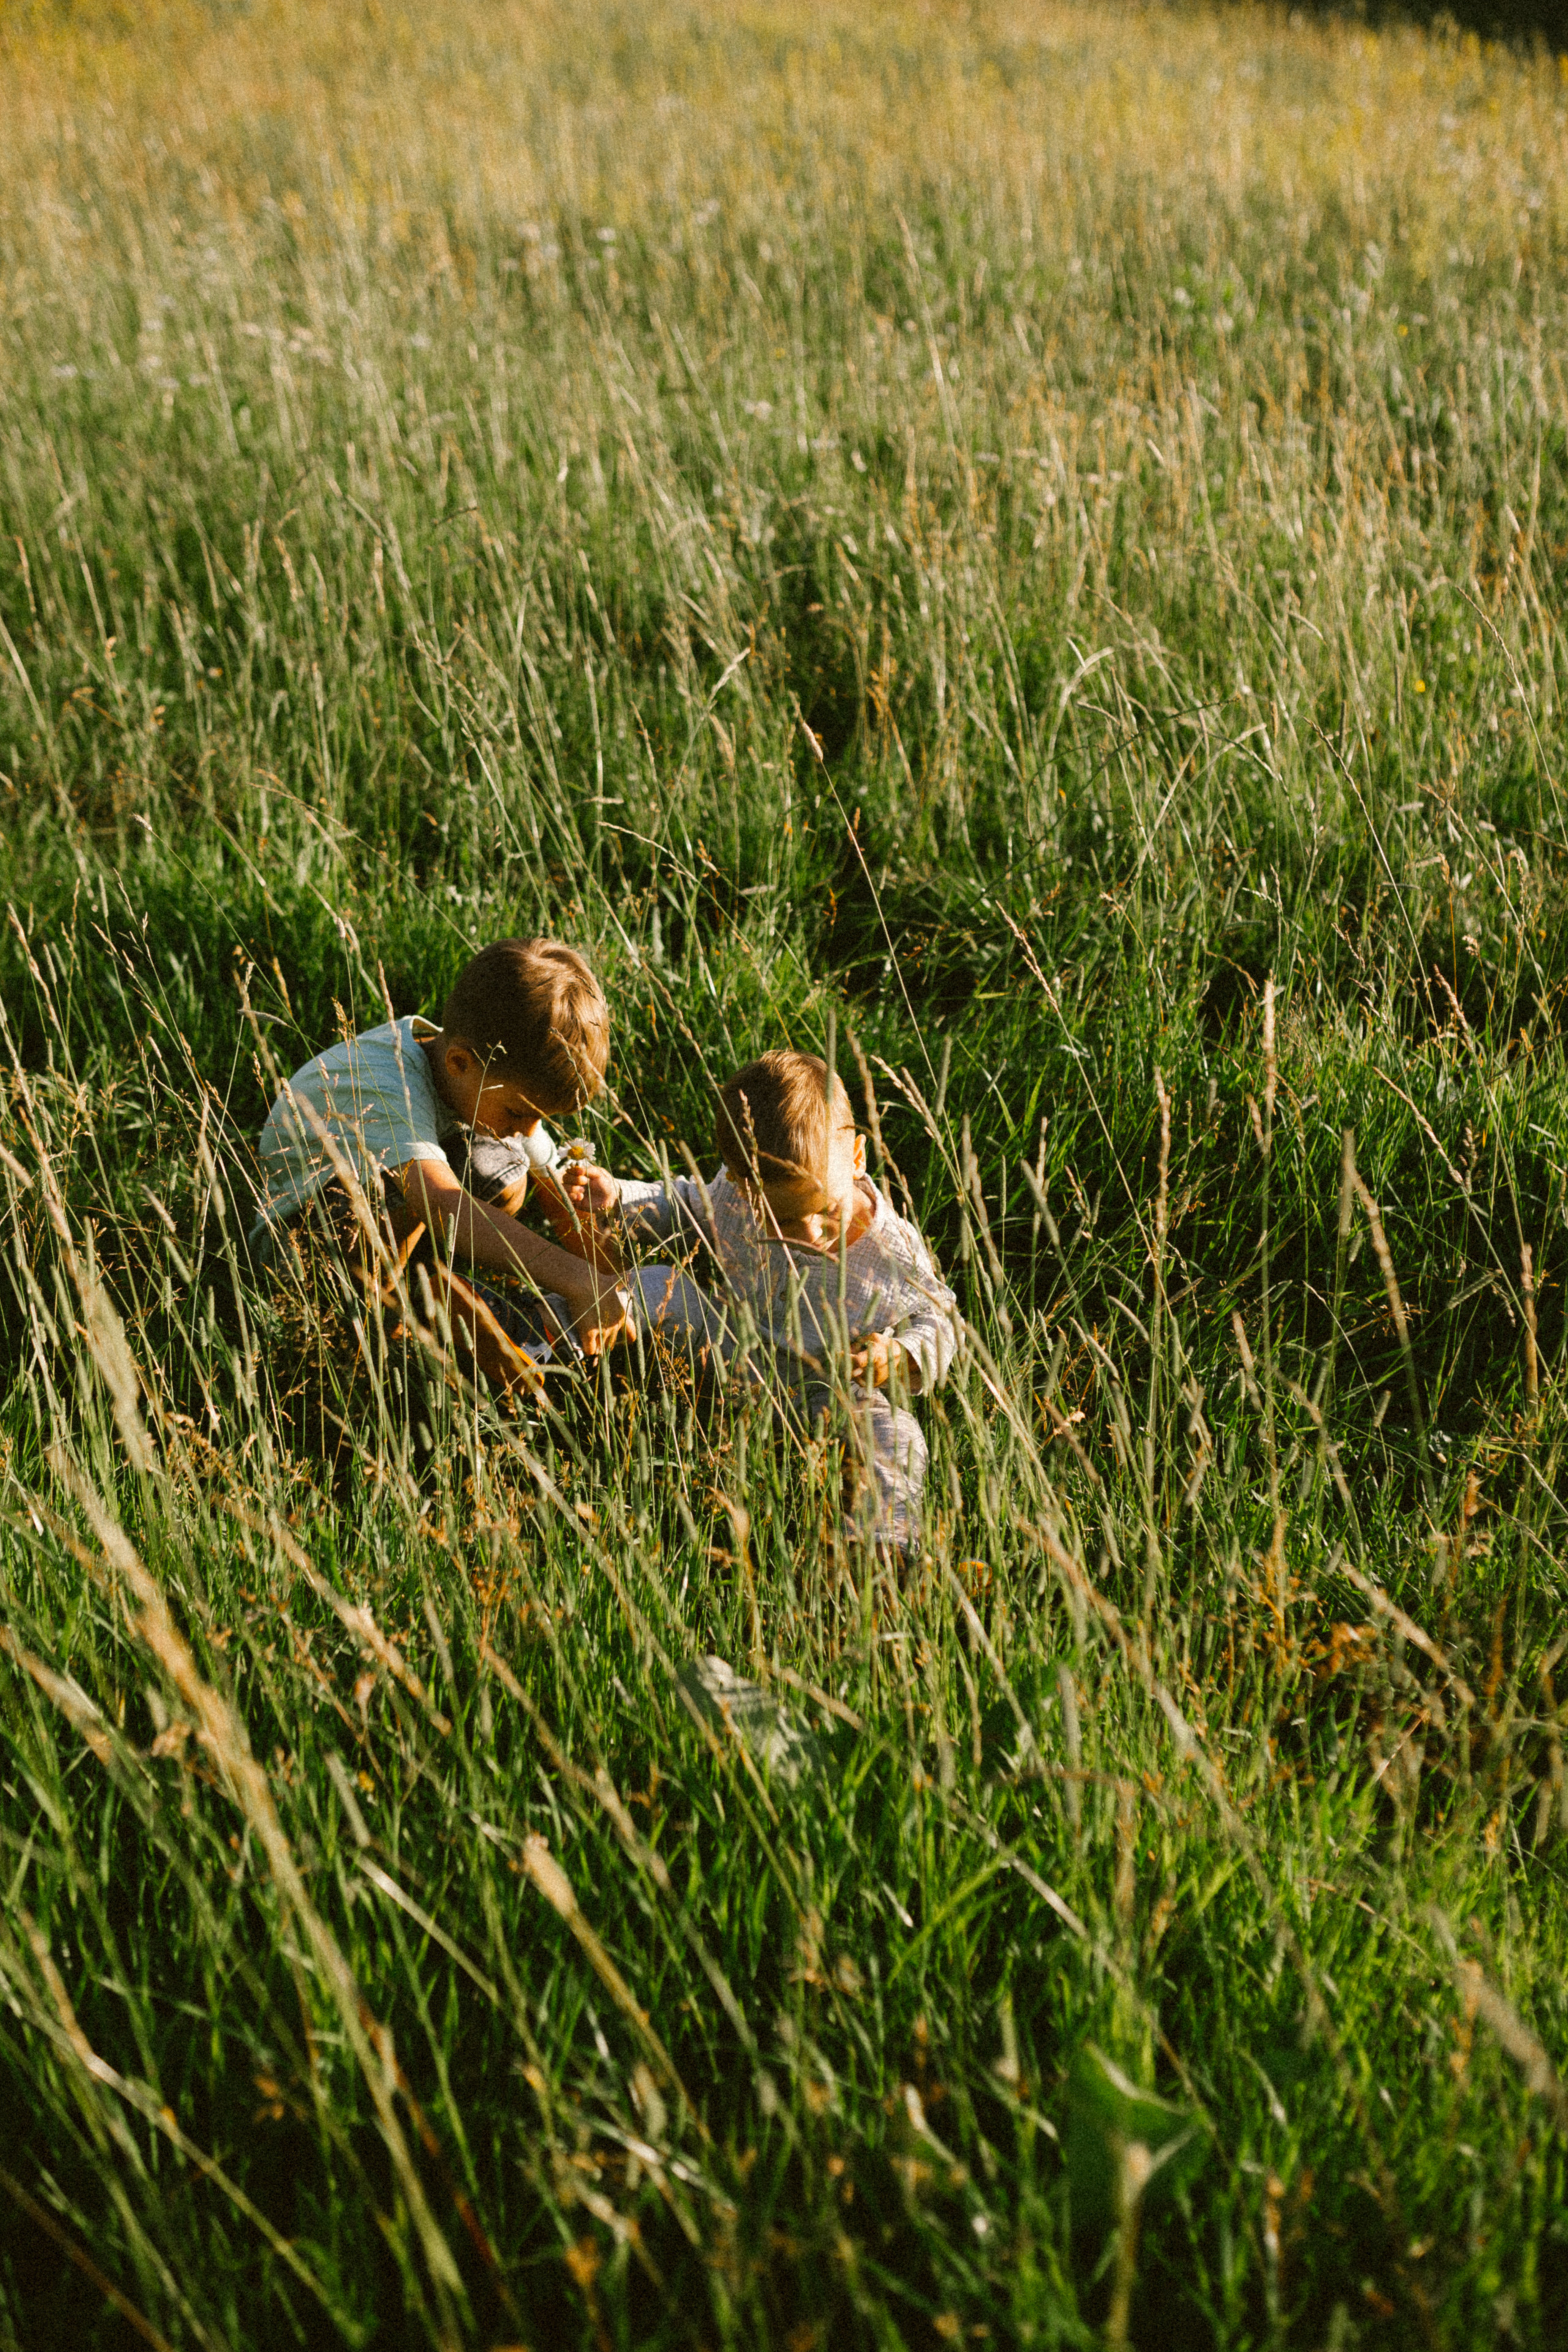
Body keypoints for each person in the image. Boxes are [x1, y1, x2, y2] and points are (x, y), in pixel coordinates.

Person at [564, 1050, 959, 1555]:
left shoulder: (888, 1248)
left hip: (824, 1388)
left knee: (893, 1435)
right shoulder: (735, 1193)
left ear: (858, 1158)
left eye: (822, 1212)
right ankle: (544, 1339)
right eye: (778, 1218)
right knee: (655, 1284)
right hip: (730, 1349)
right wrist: (619, 1196)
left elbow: (938, 1318)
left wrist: (899, 1355)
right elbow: (685, 1206)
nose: (804, 1234)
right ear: (738, 1180)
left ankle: (878, 1546)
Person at [249, 937, 634, 1390]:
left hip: (403, 1221)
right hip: (308, 1243)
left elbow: (557, 1195)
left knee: (507, 1173)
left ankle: (436, 1294)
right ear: (459, 1062)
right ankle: (384, 1326)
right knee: (425, 1193)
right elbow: (440, 1200)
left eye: (542, 1119)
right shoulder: (383, 1079)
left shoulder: (484, 1078)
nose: (531, 1131)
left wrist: (612, 1286)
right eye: (518, 1113)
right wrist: (573, 1278)